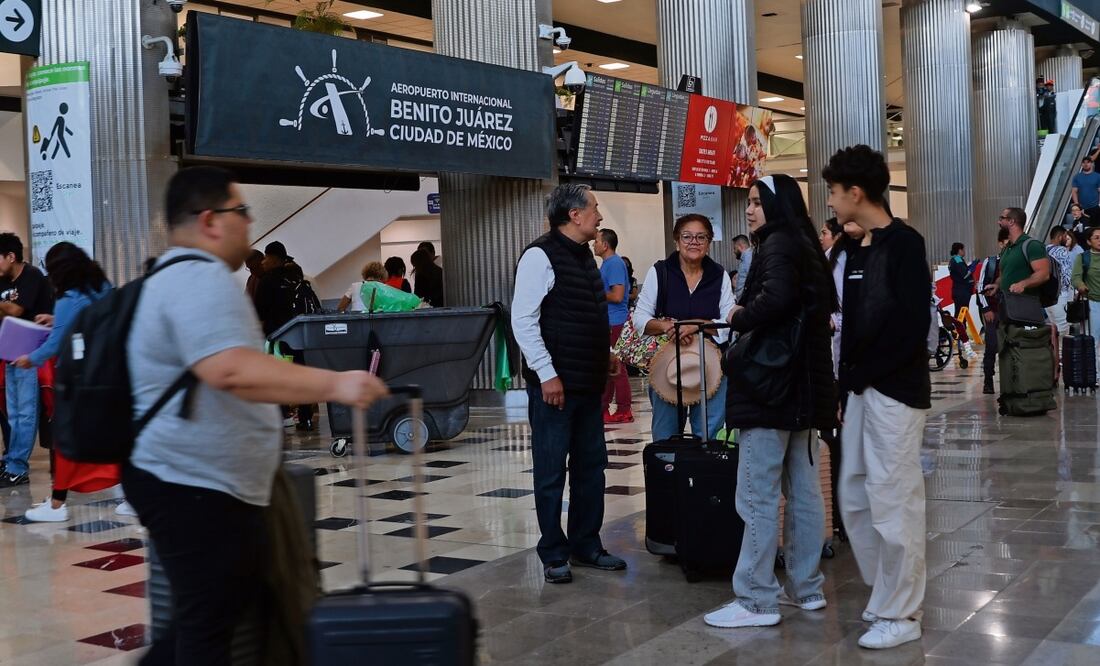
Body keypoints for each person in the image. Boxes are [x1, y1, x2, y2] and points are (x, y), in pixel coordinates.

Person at [124, 166, 388, 663]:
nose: (249, 223)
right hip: (191, 481)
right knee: (207, 623)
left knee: (215, 609)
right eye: (241, 211)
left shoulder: (182, 276)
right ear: (209, 220)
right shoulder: (198, 277)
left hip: (202, 479)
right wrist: (336, 383)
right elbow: (231, 370)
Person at [703, 174, 837, 630]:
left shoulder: (777, 244)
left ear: (778, 206)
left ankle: (757, 599)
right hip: (802, 392)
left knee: (756, 495)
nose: (749, 209)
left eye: (758, 202)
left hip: (769, 389)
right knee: (803, 491)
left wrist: (739, 315)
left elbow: (774, 301)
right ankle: (807, 588)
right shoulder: (805, 246)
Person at [825, 145, 931, 650]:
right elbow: (850, 323)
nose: (829, 201)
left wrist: (865, 375)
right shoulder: (858, 248)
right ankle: (886, 596)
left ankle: (904, 612)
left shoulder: (904, 245)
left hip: (895, 390)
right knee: (855, 494)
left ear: (856, 192)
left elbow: (910, 326)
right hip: (861, 390)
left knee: (894, 500)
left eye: (832, 191)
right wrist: (848, 386)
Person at [511, 183, 626, 584]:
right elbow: (523, 321)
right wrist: (547, 373)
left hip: (587, 381)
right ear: (574, 215)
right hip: (555, 386)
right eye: (594, 208)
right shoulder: (539, 256)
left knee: (591, 467)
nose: (599, 215)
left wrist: (605, 356)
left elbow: (585, 315)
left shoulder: (584, 257)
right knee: (550, 470)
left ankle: (586, 544)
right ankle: (554, 552)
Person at [15, 243, 131, 521]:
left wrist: (29, 359)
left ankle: (56, 506)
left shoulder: (69, 298)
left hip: (80, 379)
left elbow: (55, 343)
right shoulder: (100, 286)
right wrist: (57, 319)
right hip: (108, 373)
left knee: (66, 440)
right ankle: (130, 496)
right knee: (112, 436)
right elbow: (88, 318)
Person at [633, 215, 734, 441]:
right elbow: (639, 318)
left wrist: (696, 326)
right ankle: (669, 475)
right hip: (667, 365)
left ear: (709, 242)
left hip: (711, 366)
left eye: (701, 237)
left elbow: (728, 323)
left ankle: (706, 476)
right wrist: (667, 326)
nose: (694, 242)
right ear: (677, 240)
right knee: (666, 438)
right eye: (687, 236)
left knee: (709, 436)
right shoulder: (660, 272)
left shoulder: (719, 275)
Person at [0, 233, 54, 487]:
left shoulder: (31, 276)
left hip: (31, 355)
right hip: (10, 353)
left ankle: (18, 467)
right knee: (13, 413)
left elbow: (16, 310)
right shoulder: (3, 281)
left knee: (26, 412)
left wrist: (4, 307)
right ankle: (11, 461)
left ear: (11, 257)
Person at [254, 240, 313, 429]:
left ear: (273, 258)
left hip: (277, 338)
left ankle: (284, 414)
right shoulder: (296, 277)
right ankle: (305, 417)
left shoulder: (267, 281)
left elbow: (259, 313)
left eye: (265, 257)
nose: (263, 262)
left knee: (278, 378)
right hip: (299, 336)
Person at [593, 228, 633, 424]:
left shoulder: (614, 263)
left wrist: (593, 293)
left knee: (617, 366)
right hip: (607, 321)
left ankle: (624, 409)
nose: (594, 244)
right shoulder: (607, 264)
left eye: (597, 241)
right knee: (606, 366)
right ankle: (604, 407)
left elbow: (617, 295)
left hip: (615, 321)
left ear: (605, 245)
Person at [977, 228, 1010, 394]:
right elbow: (980, 288)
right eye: (1005, 243)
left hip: (1011, 312)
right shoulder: (990, 263)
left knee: (1011, 346)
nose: (1007, 246)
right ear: (1000, 243)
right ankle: (988, 380)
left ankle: (1011, 380)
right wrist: (986, 309)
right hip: (993, 311)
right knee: (991, 346)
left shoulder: (1014, 263)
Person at [820, 218, 850, 376]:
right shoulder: (831, 258)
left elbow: (841, 297)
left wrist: (835, 321)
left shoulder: (838, 259)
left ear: (837, 236)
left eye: (824, 233)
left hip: (841, 328)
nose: (820, 237)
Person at [1071, 227, 1100, 356]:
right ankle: (1096, 373)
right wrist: (1081, 285)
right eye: (1097, 238)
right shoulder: (1083, 258)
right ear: (1089, 242)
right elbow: (1075, 277)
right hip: (1093, 304)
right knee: (1094, 340)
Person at [1046, 227, 1075, 336]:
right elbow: (1067, 276)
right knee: (1063, 330)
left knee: (1054, 330)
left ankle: (1055, 352)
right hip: (1061, 296)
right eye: (1065, 236)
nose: (1067, 238)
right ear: (1060, 237)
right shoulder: (1061, 251)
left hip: (1048, 297)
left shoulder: (1045, 249)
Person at [948, 243, 974, 319]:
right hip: (962, 291)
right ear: (959, 250)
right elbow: (965, 274)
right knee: (961, 315)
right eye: (963, 249)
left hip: (958, 290)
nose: (964, 251)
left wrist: (969, 267)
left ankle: (959, 329)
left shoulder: (954, 260)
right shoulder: (957, 259)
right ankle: (960, 330)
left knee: (959, 314)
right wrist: (972, 268)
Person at [1072, 157, 1100, 222]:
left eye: (1088, 162)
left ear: (1091, 164)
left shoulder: (1097, 176)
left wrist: (1099, 204)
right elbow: (1074, 191)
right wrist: (1077, 205)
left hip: (1095, 207)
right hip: (1082, 208)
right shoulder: (1077, 177)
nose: (1086, 164)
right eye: (1084, 162)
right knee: (1085, 228)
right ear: (1081, 164)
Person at [732, 234, 752, 301]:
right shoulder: (745, 258)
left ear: (740, 246)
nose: (734, 251)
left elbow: (752, 281)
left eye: (734, 248)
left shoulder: (748, 258)